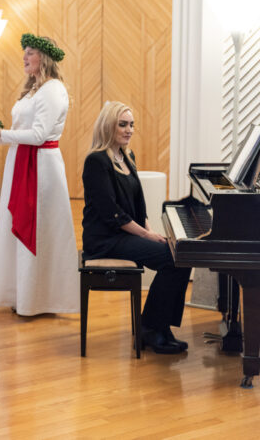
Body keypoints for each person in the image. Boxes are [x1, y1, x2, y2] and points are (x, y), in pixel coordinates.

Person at [82, 101, 191, 354]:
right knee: (170, 258)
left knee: (181, 254)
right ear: (108, 125)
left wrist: (150, 230)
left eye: (131, 124)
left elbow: (137, 205)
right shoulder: (96, 161)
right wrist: (146, 235)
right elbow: (112, 213)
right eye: (123, 124)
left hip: (125, 233)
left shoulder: (126, 156)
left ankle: (160, 327)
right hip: (105, 239)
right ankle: (150, 329)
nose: (129, 129)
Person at [0, 34, 78, 316]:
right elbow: (23, 130)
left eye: (31, 53)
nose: (25, 57)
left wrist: (4, 134)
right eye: (24, 52)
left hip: (41, 167)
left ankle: (41, 298)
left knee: (41, 228)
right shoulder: (33, 90)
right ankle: (21, 293)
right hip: (22, 162)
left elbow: (38, 135)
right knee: (16, 226)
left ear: (45, 58)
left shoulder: (52, 89)